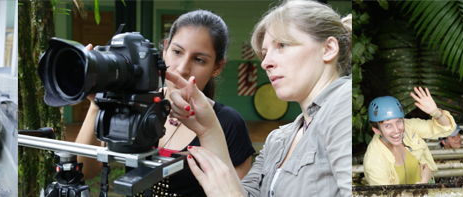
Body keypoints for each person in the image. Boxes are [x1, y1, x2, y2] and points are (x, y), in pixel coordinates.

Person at [72, 10, 256, 197]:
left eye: (199, 60)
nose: (183, 68)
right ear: (165, 50)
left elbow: (237, 192)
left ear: (217, 67)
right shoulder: (134, 103)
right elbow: (84, 171)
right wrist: (97, 104)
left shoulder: (229, 124)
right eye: (177, 52)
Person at [177, 1, 353, 196]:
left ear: (328, 48)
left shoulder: (344, 102)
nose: (265, 63)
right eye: (264, 53)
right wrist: (209, 129)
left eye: (282, 45)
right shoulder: (278, 139)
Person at [362, 93, 458, 185]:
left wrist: (435, 112)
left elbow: (447, 128)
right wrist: (424, 182)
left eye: (399, 121)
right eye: (388, 126)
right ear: (376, 130)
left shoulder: (409, 127)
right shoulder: (374, 162)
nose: (396, 130)